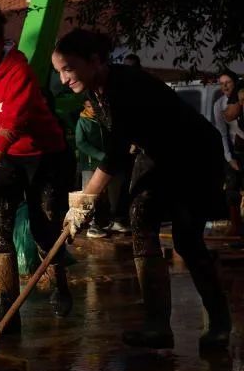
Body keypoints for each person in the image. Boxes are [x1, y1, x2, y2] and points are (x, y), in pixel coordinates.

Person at [54, 29, 232, 351]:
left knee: (187, 240)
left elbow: (117, 153)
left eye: (68, 68)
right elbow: (119, 147)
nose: (64, 78)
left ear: (94, 60)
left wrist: (85, 201)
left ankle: (220, 323)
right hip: (156, 154)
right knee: (141, 222)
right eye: (59, 72)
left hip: (194, 154)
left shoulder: (126, 85)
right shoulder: (96, 91)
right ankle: (157, 325)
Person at [0, 5, 73, 341]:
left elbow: (8, 131)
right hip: (0, 157)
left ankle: (59, 284)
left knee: (43, 227)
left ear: (2, 45)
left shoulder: (18, 71)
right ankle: (7, 311)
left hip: (43, 155)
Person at [75, 99, 130, 238]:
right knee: (91, 196)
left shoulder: (104, 120)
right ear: (84, 107)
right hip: (91, 164)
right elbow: (81, 143)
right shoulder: (83, 122)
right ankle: (92, 225)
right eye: (89, 106)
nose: (92, 109)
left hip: (109, 163)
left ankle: (113, 220)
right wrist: (100, 155)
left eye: (94, 106)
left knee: (114, 192)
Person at [212, 69, 244, 237]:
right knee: (231, 188)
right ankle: (236, 226)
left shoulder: (242, 98)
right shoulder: (219, 105)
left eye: (228, 82)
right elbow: (222, 133)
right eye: (222, 83)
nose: (224, 86)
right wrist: (229, 157)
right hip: (233, 150)